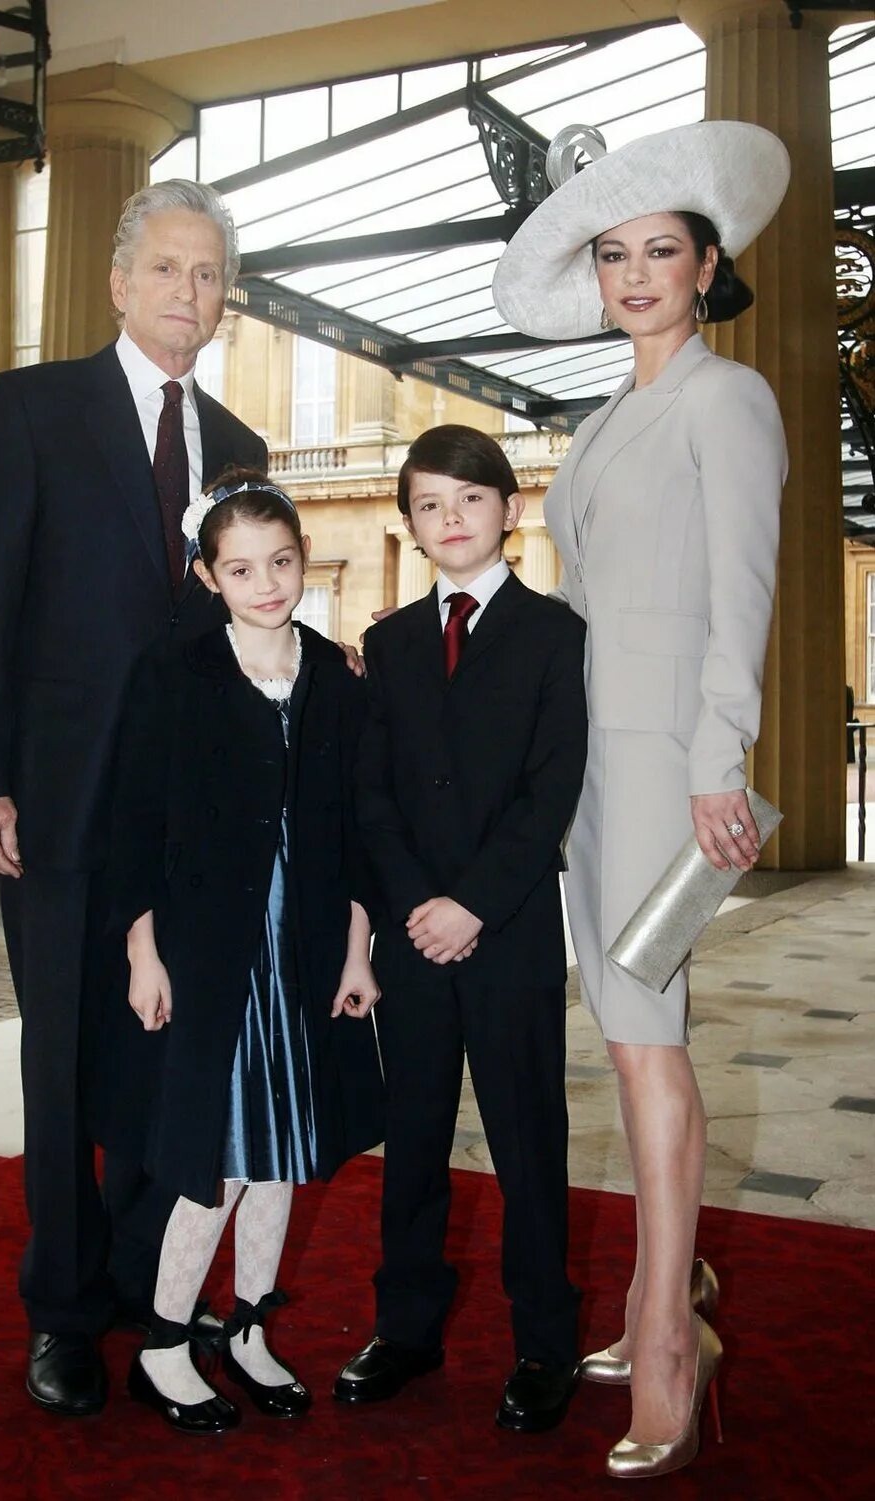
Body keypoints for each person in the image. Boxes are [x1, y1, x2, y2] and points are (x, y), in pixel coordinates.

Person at [0, 179, 267, 1416]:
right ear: (120, 282)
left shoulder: (238, 445)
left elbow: (240, 625)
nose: (189, 290)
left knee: (164, 1056)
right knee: (66, 1061)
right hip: (58, 803)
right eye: (168, 268)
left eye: (209, 273)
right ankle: (64, 1310)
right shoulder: (29, 408)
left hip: (184, 821)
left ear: (224, 299)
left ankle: (141, 1279)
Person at [493, 120, 790, 1479]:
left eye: (658, 250)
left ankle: (669, 1337)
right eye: (611, 254)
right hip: (591, 764)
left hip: (669, 760)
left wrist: (720, 757)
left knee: (644, 1037)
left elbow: (743, 592)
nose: (632, 274)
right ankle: (655, 1296)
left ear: (706, 265)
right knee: (625, 1037)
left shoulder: (728, 399)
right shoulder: (605, 417)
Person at [98, 470, 384, 1433]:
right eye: (242, 568)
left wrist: (357, 949)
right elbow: (134, 824)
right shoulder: (173, 672)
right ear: (207, 575)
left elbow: (352, 829)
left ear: (304, 561)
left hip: (303, 947)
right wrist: (143, 953)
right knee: (213, 1154)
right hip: (210, 954)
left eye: (282, 562)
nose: (266, 584)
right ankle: (164, 1342)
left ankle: (252, 1325)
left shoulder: (333, 675)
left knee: (280, 1152)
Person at [334, 425, 588, 1432]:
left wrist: (473, 903)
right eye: (430, 504)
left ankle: (545, 1341)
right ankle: (405, 1327)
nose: (451, 518)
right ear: (409, 522)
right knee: (413, 1138)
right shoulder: (391, 642)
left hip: (508, 928)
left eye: (470, 498)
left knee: (527, 1139)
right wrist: (416, 906)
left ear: (510, 509)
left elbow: (551, 786)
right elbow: (372, 794)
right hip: (413, 935)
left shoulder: (554, 633)